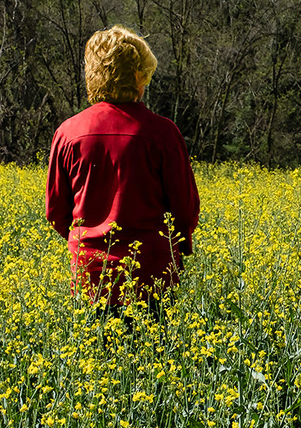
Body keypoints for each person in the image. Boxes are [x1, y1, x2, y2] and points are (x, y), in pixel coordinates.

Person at [45, 26, 199, 310]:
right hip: (152, 274)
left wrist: (86, 242)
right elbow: (184, 209)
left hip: (91, 277)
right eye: (146, 75)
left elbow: (56, 211)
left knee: (93, 353)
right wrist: (178, 250)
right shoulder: (163, 134)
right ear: (137, 76)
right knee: (152, 352)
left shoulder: (68, 132)